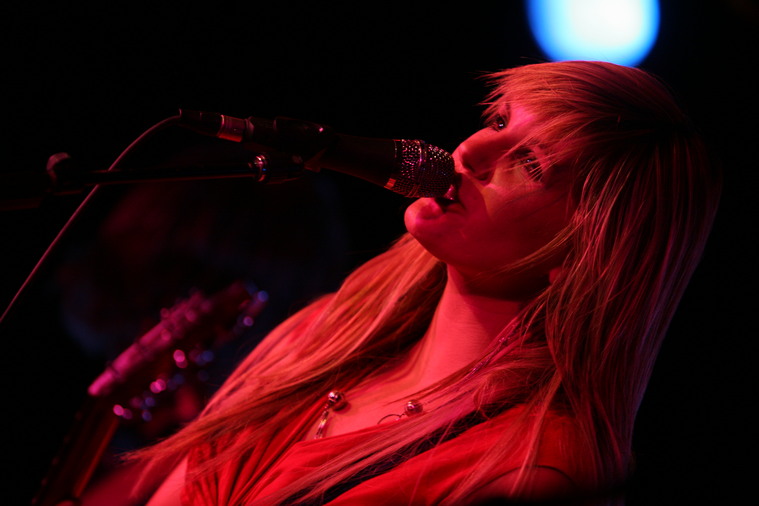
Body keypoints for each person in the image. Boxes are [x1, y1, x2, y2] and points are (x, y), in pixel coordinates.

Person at [135, 61, 721, 505]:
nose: (470, 150)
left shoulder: (532, 469)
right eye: (498, 121)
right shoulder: (322, 332)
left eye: (531, 164)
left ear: (583, 254)